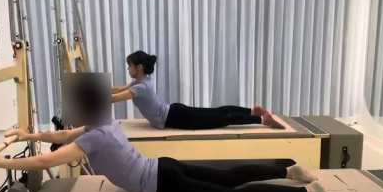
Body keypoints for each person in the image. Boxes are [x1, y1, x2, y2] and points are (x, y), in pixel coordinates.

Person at [0, 76, 350, 192]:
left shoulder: (91, 137)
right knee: (229, 176)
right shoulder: (102, 124)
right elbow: (59, 138)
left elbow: (48, 160)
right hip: (164, 166)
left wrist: (0, 163)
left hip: (164, 186)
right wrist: (29, 136)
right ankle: (289, 170)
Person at [111, 51, 285, 130]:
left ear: (139, 67)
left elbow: (113, 98)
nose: (128, 69)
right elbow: (117, 89)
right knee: (218, 112)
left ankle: (262, 119)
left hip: (176, 117)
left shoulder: (140, 88)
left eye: (129, 66)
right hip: (175, 111)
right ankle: (252, 111)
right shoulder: (140, 82)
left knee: (222, 119)